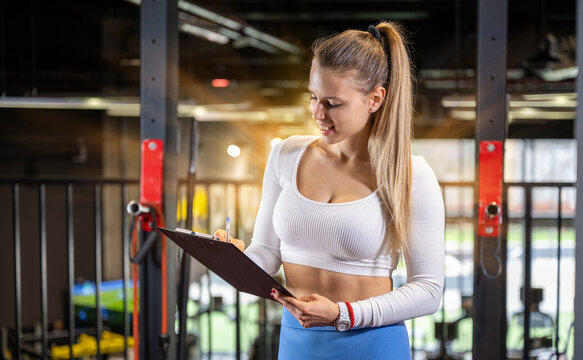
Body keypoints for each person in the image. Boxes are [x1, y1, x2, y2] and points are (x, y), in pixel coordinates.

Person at [214, 21, 444, 359]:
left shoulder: (410, 174)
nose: (317, 113)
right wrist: (233, 260)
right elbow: (265, 253)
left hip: (371, 343)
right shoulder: (286, 154)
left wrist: (342, 315)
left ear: (375, 99)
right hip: (296, 341)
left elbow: (429, 290)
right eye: (314, 97)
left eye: (333, 103)